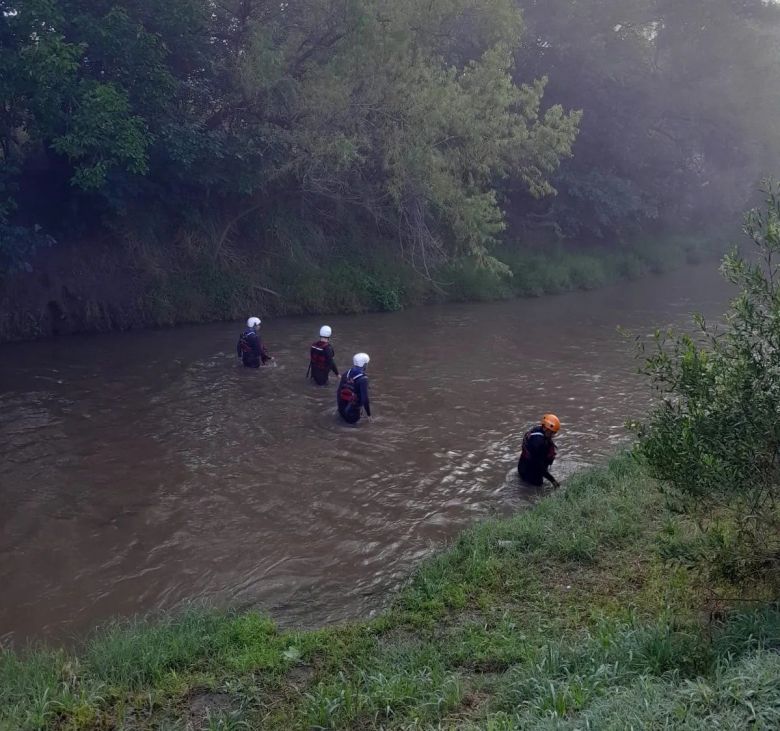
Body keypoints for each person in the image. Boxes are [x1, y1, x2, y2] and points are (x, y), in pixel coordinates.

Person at [518, 414, 561, 488]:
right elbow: (538, 466)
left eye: (554, 433)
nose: (553, 435)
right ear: (546, 428)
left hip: (522, 466)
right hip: (531, 473)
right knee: (537, 491)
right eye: (552, 432)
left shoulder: (537, 430)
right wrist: (553, 480)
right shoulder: (539, 443)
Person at [337, 352, 371, 424]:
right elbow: (365, 400)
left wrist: (340, 409)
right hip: (352, 414)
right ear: (364, 365)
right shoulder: (363, 379)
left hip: (341, 410)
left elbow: (338, 392)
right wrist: (369, 415)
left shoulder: (346, 373)